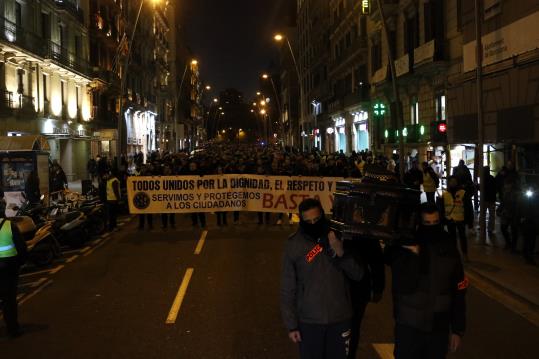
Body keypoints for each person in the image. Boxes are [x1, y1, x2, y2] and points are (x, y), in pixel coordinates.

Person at [280, 199, 363, 359]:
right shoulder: (294, 245)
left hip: (340, 318)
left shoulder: (340, 235)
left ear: (323, 216)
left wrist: (341, 254)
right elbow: (287, 288)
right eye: (308, 221)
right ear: (301, 220)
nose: (313, 224)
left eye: (316, 220)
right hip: (309, 322)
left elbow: (358, 274)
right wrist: (291, 325)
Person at [385, 203, 467, 359]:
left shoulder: (448, 245)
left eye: (435, 223)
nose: (431, 227)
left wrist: (457, 329)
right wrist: (412, 255)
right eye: (427, 223)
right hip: (409, 325)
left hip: (438, 326)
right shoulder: (406, 243)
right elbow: (400, 282)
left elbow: (459, 289)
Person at [345, 235, 385, 359]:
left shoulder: (368, 236)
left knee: (352, 327)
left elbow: (377, 262)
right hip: (344, 290)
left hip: (356, 290)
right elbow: (309, 257)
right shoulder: (369, 236)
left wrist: (378, 288)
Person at [0, 215, 28, 338]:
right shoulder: (9, 225)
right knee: (9, 299)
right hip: (8, 267)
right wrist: (20, 263)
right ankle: (13, 329)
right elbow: (21, 247)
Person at [439, 176, 469, 261]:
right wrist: (443, 220)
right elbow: (441, 208)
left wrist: (468, 220)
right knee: (452, 238)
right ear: (449, 183)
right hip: (449, 219)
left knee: (462, 237)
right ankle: (455, 254)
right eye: (451, 181)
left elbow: (468, 207)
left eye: (454, 181)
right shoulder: (444, 194)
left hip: (460, 219)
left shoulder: (463, 192)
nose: (453, 183)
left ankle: (465, 254)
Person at [482, 166, 497, 235]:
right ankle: (490, 229)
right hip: (491, 199)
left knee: (483, 214)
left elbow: (481, 188)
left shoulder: (483, 179)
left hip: (484, 199)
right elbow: (495, 188)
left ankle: (482, 227)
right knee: (491, 215)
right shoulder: (492, 178)